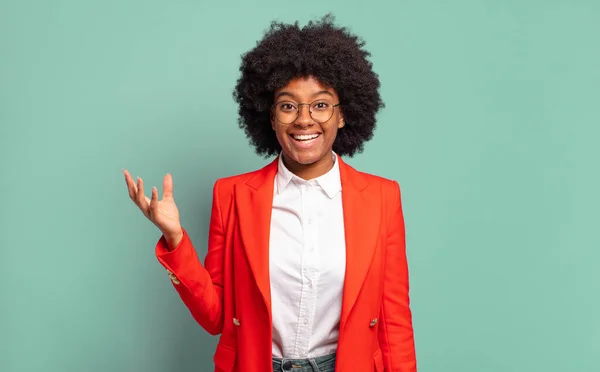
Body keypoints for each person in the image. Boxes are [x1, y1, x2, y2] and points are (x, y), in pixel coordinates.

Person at [123, 14, 416, 372]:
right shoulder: (231, 194)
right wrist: (174, 238)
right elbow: (216, 316)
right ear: (271, 116)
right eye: (288, 105)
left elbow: (395, 322)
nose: (304, 120)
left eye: (321, 105)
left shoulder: (382, 197)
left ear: (343, 115)